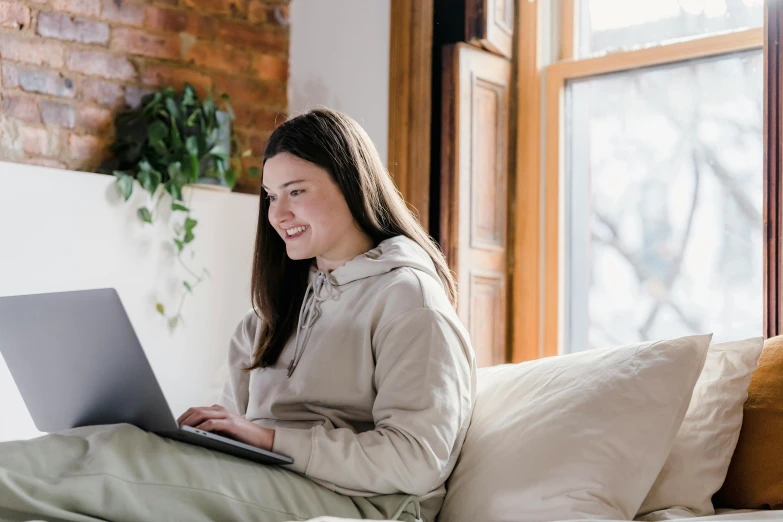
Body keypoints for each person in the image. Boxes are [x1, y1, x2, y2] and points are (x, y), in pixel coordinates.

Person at [0, 108, 476, 522]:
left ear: (352, 185)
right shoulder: (270, 314)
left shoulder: (409, 299)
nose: (278, 213)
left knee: (119, 457)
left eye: (296, 191)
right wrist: (213, 435)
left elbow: (418, 458)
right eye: (271, 196)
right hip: (273, 480)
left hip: (366, 503)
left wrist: (269, 439)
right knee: (110, 451)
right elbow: (234, 426)